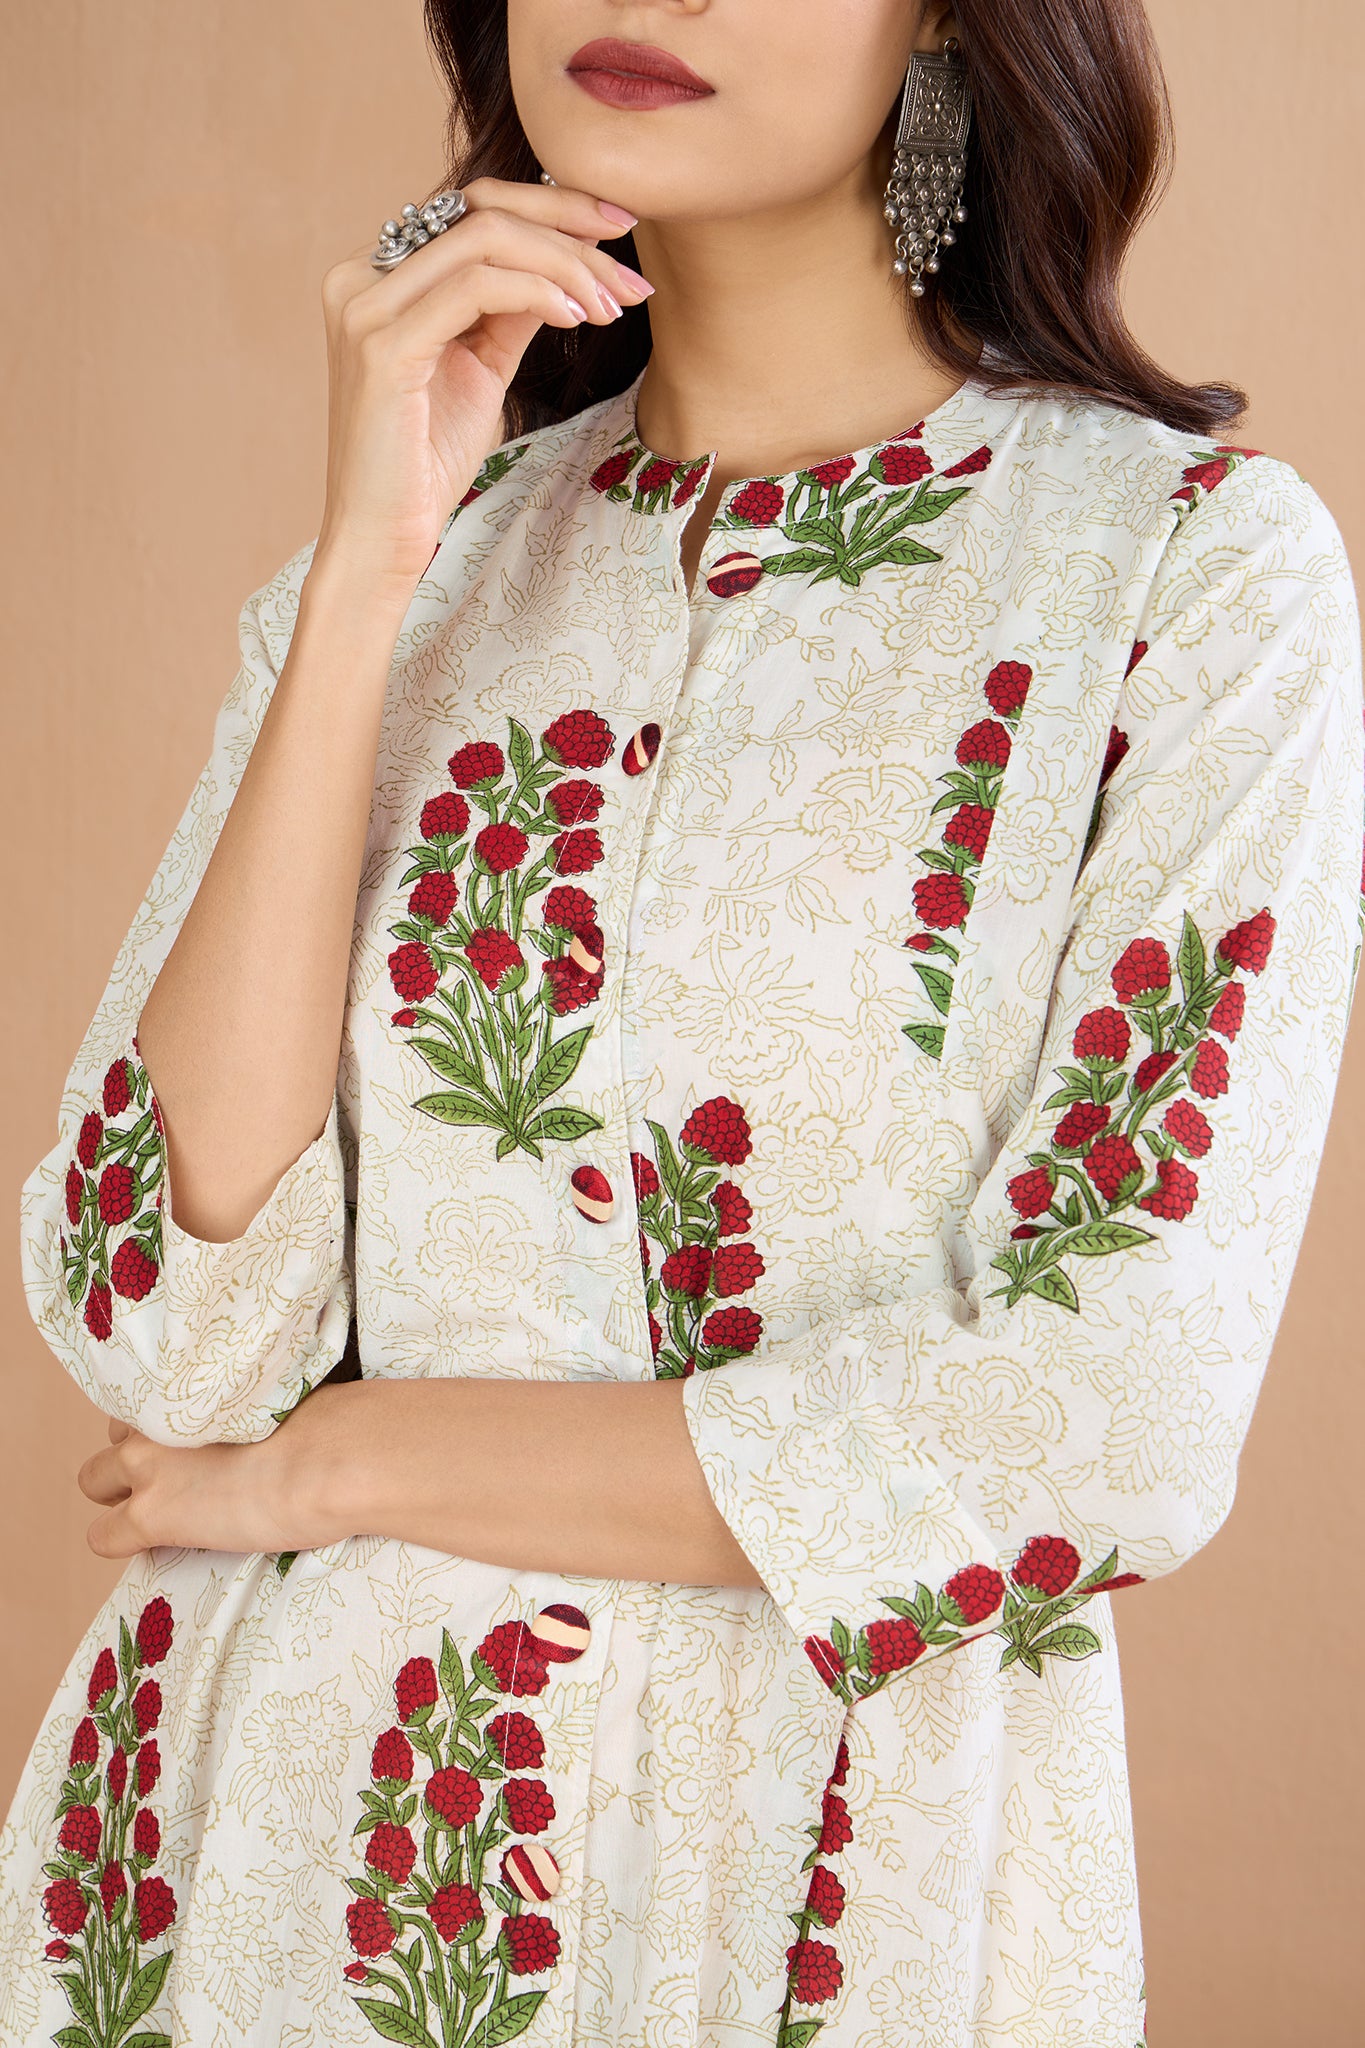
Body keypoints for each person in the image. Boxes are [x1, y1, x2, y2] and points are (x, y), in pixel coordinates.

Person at [2, 0, 1361, 2041]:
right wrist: (369, 576)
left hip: (812, 1886)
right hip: (269, 1868)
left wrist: (335, 1466)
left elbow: (1099, 1421)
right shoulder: (393, 572)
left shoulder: (1180, 578)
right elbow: (165, 1327)